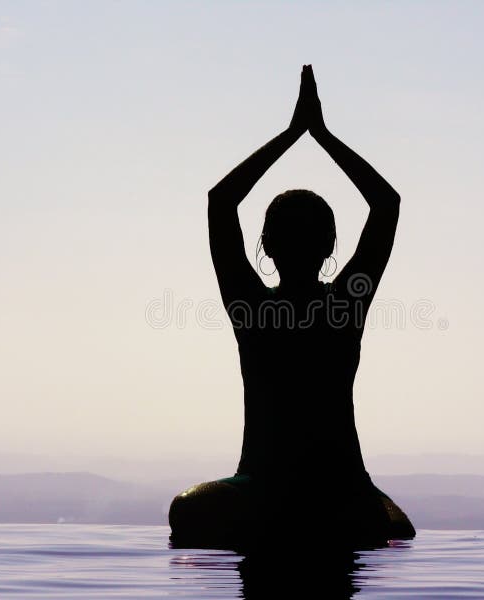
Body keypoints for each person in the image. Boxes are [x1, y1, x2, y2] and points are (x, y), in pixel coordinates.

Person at [168, 65, 415, 550]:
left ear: (266, 245)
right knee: (397, 530)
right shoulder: (346, 305)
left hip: (266, 490)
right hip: (342, 491)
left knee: (185, 509)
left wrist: (292, 134)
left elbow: (221, 202)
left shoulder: (252, 309)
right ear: (330, 247)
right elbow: (385, 203)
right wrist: (320, 135)